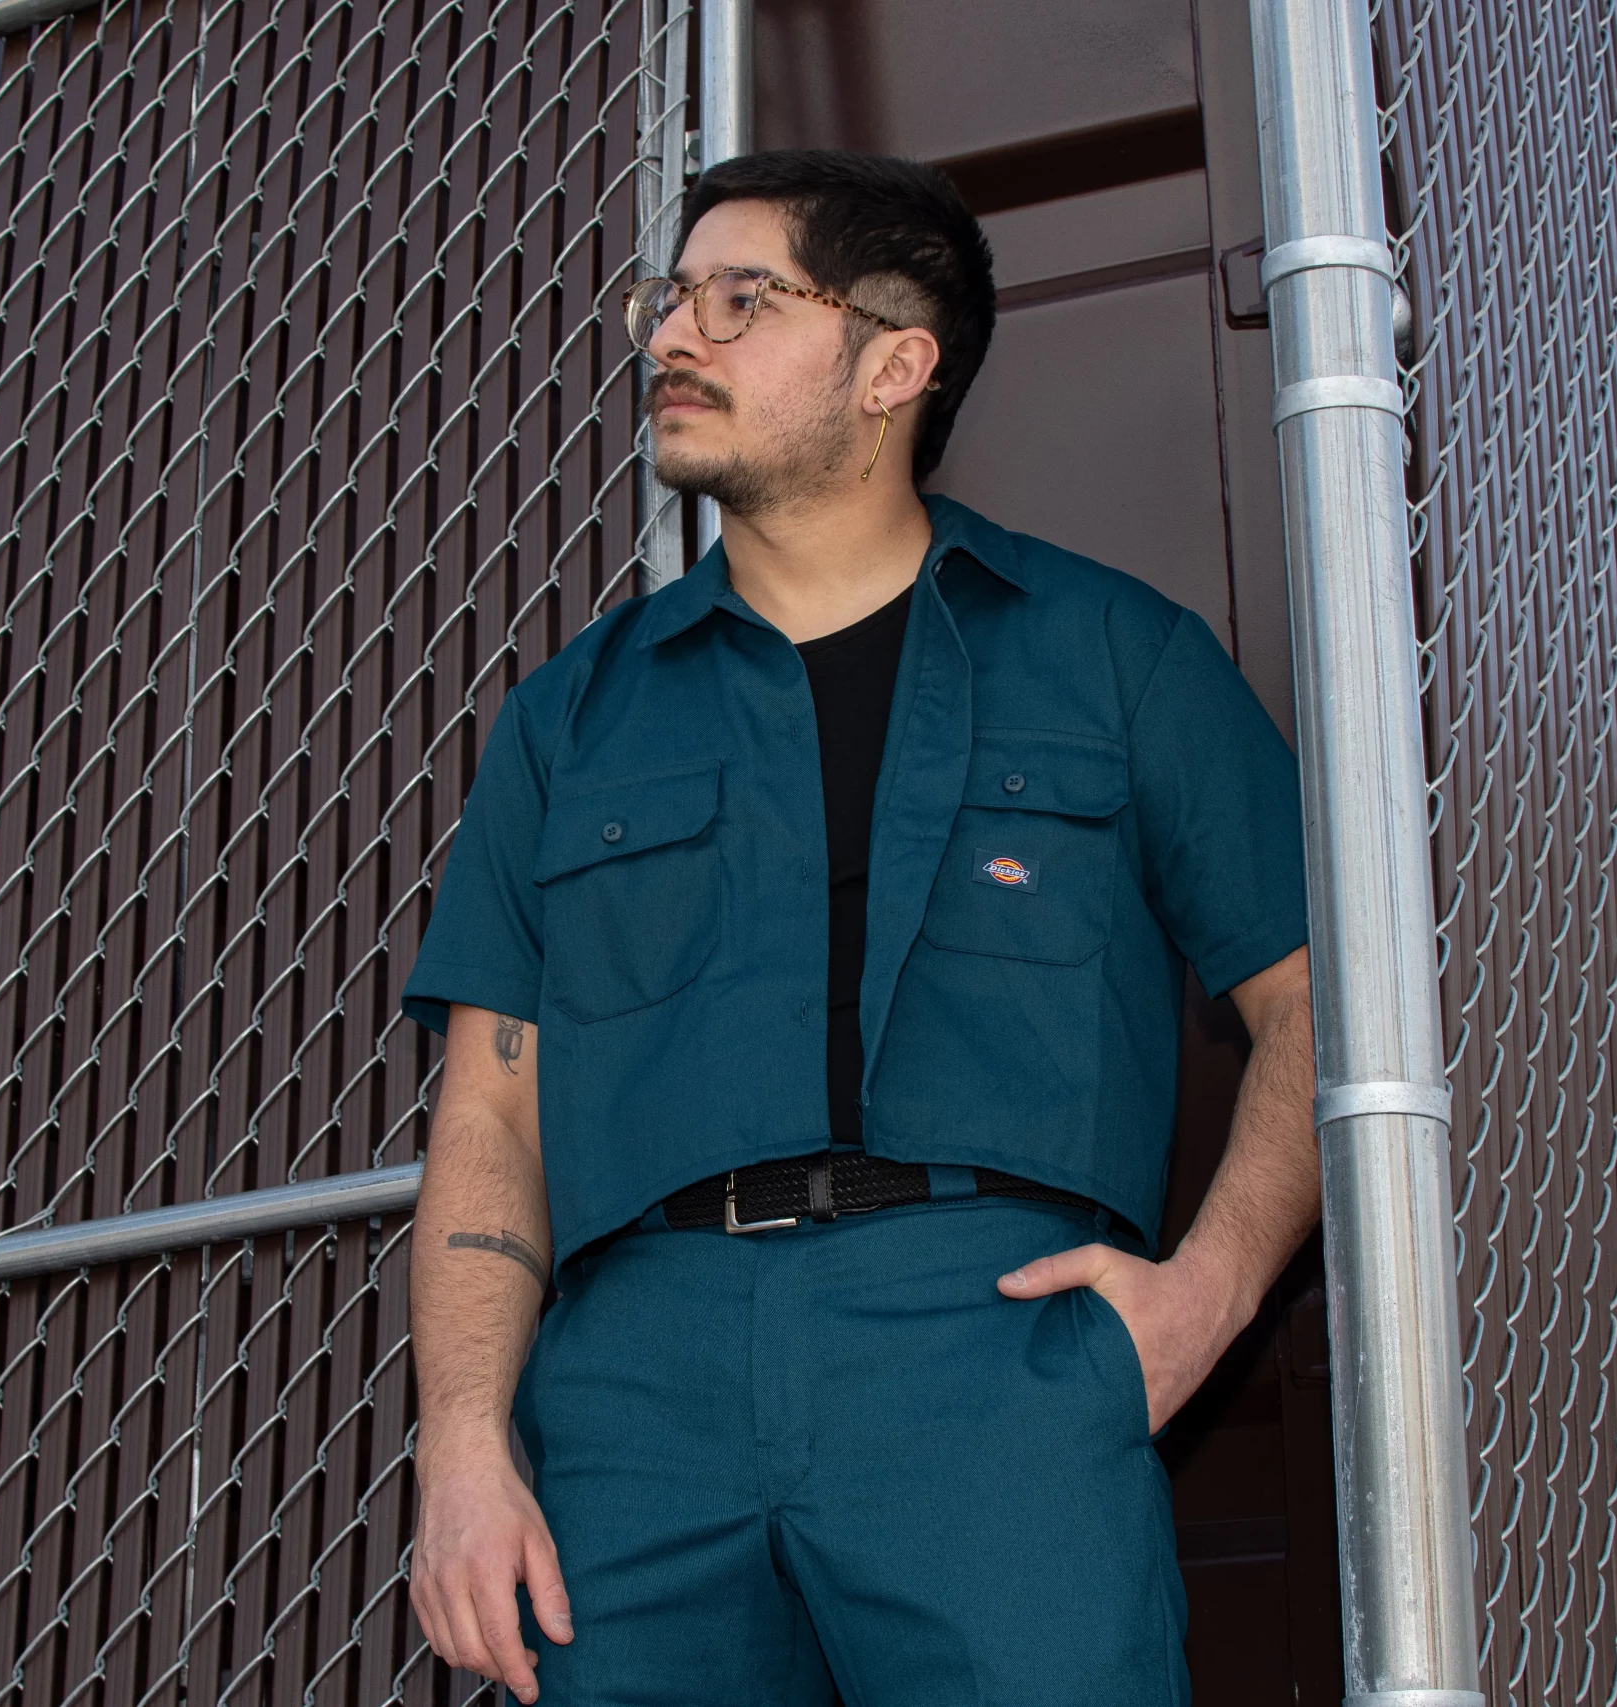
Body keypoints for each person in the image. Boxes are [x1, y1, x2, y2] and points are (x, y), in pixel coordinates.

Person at [400, 149, 1317, 1706]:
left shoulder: (1117, 658)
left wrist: (1204, 1295)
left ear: (898, 362)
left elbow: (1321, 1007)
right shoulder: (571, 723)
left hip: (992, 1357)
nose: (674, 338)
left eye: (740, 300)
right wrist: (468, 1449)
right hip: (639, 1397)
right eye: (668, 301)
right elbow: (492, 1106)